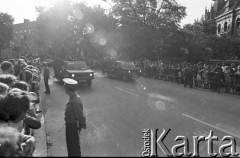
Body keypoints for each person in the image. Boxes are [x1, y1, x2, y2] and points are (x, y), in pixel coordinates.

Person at [63, 78, 86, 157]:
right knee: (70, 145)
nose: (64, 89)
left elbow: (79, 114)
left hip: (73, 126)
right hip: (70, 125)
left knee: (74, 146)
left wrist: (83, 123)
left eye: (65, 87)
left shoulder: (76, 99)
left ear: (67, 89)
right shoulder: (72, 96)